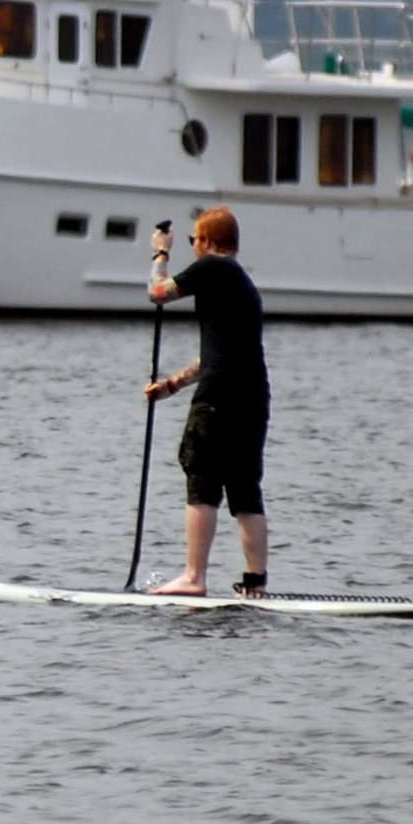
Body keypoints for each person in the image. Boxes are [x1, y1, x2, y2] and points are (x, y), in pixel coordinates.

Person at [142, 206, 269, 597]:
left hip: (218, 398)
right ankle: (255, 584)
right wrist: (173, 385)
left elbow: (158, 294)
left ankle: (193, 577)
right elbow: (220, 355)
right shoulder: (243, 283)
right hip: (252, 396)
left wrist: (160, 253)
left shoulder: (214, 267)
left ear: (210, 242)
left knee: (202, 476)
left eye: (195, 241)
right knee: (245, 488)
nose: (193, 247)